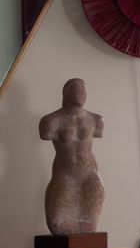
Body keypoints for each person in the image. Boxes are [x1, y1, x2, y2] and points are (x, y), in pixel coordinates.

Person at [38, 77, 105, 235]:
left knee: (89, 228)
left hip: (90, 175)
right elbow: (45, 134)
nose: (81, 94)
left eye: (83, 90)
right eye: (76, 90)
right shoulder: (51, 121)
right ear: (65, 93)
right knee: (57, 225)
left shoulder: (95, 120)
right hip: (65, 175)